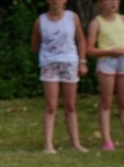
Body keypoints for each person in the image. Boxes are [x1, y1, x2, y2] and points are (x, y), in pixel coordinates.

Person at [30, 0, 89, 154]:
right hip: (49, 64)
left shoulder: (72, 17)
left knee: (70, 105)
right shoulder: (41, 21)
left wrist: (82, 61)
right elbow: (35, 45)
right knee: (51, 105)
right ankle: (48, 144)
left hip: (69, 63)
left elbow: (81, 40)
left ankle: (76, 143)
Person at [86, 0, 124, 151]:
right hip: (107, 61)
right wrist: (109, 51)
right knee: (106, 101)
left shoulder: (122, 19)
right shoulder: (96, 23)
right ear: (100, 3)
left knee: (123, 101)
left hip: (122, 60)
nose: (113, 3)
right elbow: (90, 49)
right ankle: (107, 139)